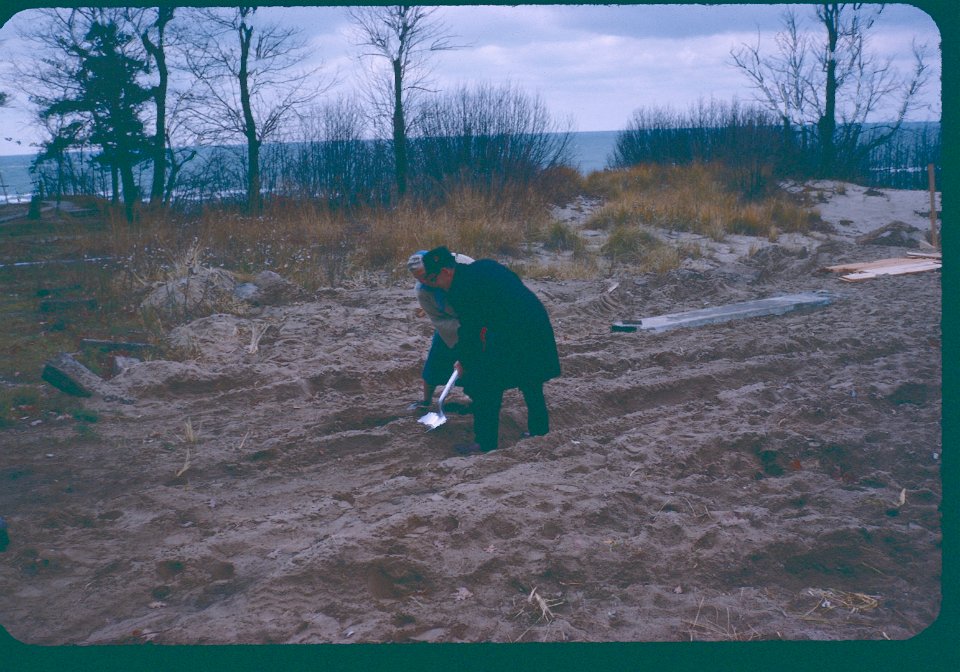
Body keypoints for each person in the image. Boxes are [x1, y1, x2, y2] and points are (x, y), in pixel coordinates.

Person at [419, 246, 561, 455]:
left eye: (433, 279)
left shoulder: (460, 290)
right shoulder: (484, 266)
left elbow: (470, 330)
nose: (434, 286)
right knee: (531, 381)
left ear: (446, 272)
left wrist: (464, 361)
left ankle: (484, 443)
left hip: (516, 330)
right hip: (536, 321)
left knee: (484, 384)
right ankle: (540, 433)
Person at [406, 249, 475, 409]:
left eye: (426, 276)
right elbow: (439, 320)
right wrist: (462, 341)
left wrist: (474, 335)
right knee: (437, 357)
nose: (424, 281)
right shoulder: (423, 291)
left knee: (478, 361)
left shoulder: (464, 264)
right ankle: (426, 400)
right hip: (449, 324)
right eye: (419, 278)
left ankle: (478, 398)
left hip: (478, 318)